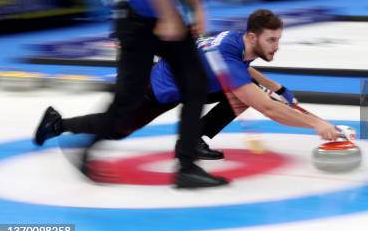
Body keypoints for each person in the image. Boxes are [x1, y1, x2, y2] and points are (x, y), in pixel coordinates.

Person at [74, 0, 276, 188]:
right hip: (140, 20)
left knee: (194, 83)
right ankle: (86, 151)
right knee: (128, 99)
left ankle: (186, 167)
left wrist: (196, 8)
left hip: (165, 15)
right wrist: (170, 16)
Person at [34, 10, 340, 187]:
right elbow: (267, 108)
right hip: (156, 89)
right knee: (116, 128)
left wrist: (275, 85)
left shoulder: (237, 42)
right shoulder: (229, 53)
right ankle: (58, 124)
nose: (276, 47)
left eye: (278, 40)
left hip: (183, 84)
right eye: (271, 40)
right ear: (252, 37)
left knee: (249, 91)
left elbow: (246, 74)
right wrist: (315, 123)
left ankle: (194, 141)